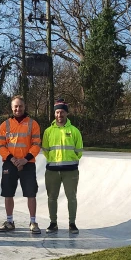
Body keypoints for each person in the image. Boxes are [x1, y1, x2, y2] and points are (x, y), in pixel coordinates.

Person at [0, 95, 42, 234]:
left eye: (20, 106)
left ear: (24, 106)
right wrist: (12, 159)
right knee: (8, 193)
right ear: (11, 107)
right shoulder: (5, 125)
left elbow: (36, 144)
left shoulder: (33, 124)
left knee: (31, 193)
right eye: (15, 106)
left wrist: (25, 159)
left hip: (27, 163)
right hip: (10, 163)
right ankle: (9, 221)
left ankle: (33, 222)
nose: (18, 108)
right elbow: (0, 146)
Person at [41, 99, 83, 234]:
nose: (60, 115)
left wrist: (71, 160)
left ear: (67, 113)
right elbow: (45, 150)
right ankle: (53, 223)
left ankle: (72, 223)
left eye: (62, 112)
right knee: (52, 197)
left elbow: (79, 150)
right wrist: (54, 162)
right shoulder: (48, 131)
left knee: (72, 197)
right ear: (54, 114)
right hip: (52, 171)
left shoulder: (74, 130)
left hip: (70, 171)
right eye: (57, 112)